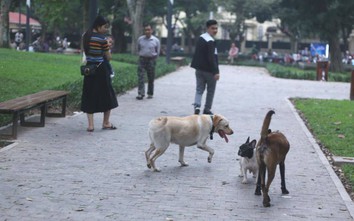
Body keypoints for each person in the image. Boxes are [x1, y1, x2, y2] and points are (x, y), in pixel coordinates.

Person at [81, 15, 118, 132]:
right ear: (98, 26)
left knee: (89, 94)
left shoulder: (85, 36)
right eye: (105, 27)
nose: (106, 29)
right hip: (101, 70)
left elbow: (86, 53)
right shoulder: (102, 39)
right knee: (108, 95)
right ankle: (106, 122)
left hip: (89, 70)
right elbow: (109, 57)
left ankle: (90, 125)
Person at [190, 19, 220, 115]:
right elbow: (212, 58)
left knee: (199, 89)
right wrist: (216, 72)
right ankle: (207, 109)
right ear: (207, 28)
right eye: (212, 28)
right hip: (209, 71)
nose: (215, 30)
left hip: (199, 70)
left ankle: (197, 106)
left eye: (216, 28)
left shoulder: (201, 38)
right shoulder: (210, 41)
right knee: (210, 90)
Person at [136, 24, 161, 100]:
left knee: (151, 77)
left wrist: (154, 59)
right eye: (146, 30)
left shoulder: (156, 40)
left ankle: (150, 93)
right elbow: (138, 48)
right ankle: (141, 93)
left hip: (151, 60)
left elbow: (158, 51)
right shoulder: (140, 39)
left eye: (149, 30)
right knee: (141, 77)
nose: (147, 31)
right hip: (142, 59)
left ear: (151, 30)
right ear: (144, 31)